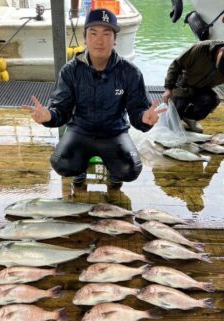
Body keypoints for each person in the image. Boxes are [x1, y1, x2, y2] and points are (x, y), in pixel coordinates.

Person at [23, 8, 165, 187]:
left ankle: (115, 173)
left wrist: (144, 118)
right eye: (93, 33)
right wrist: (49, 116)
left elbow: (138, 111)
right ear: (85, 37)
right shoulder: (71, 70)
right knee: (62, 164)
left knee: (130, 169)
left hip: (114, 132)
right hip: (80, 131)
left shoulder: (130, 72)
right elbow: (61, 109)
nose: (99, 40)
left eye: (107, 33)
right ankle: (79, 168)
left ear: (115, 40)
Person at [162, 40, 224, 136]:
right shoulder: (201, 49)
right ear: (220, 51)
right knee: (171, 125)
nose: (222, 69)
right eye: (222, 64)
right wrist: (168, 88)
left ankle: (190, 119)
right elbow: (176, 65)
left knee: (212, 100)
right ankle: (178, 114)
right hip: (183, 85)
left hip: (203, 90)